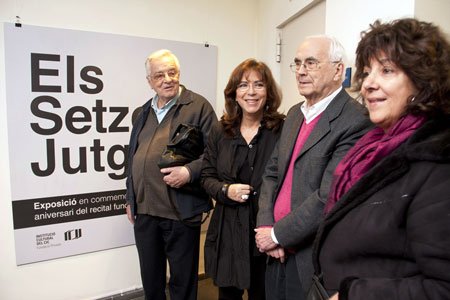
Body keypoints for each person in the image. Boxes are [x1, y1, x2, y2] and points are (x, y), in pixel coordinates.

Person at [312, 18, 450, 300]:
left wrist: (353, 294)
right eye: (367, 72)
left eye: (386, 70)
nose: (368, 84)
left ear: (423, 80)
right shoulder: (372, 146)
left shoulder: (438, 163)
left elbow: (442, 288)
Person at [254, 36, 373, 300]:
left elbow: (329, 196)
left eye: (311, 63)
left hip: (310, 259)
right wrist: (265, 226)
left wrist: (277, 234)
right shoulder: (295, 113)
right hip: (275, 252)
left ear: (338, 70)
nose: (301, 71)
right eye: (297, 64)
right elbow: (272, 173)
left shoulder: (357, 120)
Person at [125, 49, 217, 300]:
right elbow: (133, 156)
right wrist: (130, 198)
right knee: (151, 280)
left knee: (182, 282)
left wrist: (189, 171)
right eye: (159, 75)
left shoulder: (198, 106)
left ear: (179, 73)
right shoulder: (142, 112)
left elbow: (216, 153)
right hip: (145, 212)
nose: (167, 79)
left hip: (180, 211)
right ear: (150, 81)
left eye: (172, 72)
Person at [201, 59, 285, 300]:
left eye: (258, 85)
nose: (251, 92)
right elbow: (206, 176)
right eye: (243, 85)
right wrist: (226, 190)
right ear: (234, 93)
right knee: (228, 295)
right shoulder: (220, 130)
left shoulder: (283, 129)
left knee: (264, 293)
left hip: (267, 228)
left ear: (268, 92)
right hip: (228, 229)